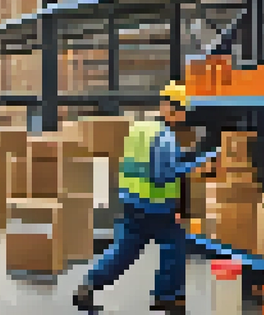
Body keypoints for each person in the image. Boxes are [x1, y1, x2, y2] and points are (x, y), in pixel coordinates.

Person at [73, 82, 219, 315]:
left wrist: (189, 157)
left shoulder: (140, 128)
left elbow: (154, 161)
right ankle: (166, 297)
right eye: (181, 110)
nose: (183, 116)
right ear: (170, 109)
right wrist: (197, 166)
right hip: (157, 206)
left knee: (123, 251)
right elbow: (164, 174)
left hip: (132, 202)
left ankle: (88, 285)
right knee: (174, 245)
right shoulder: (166, 137)